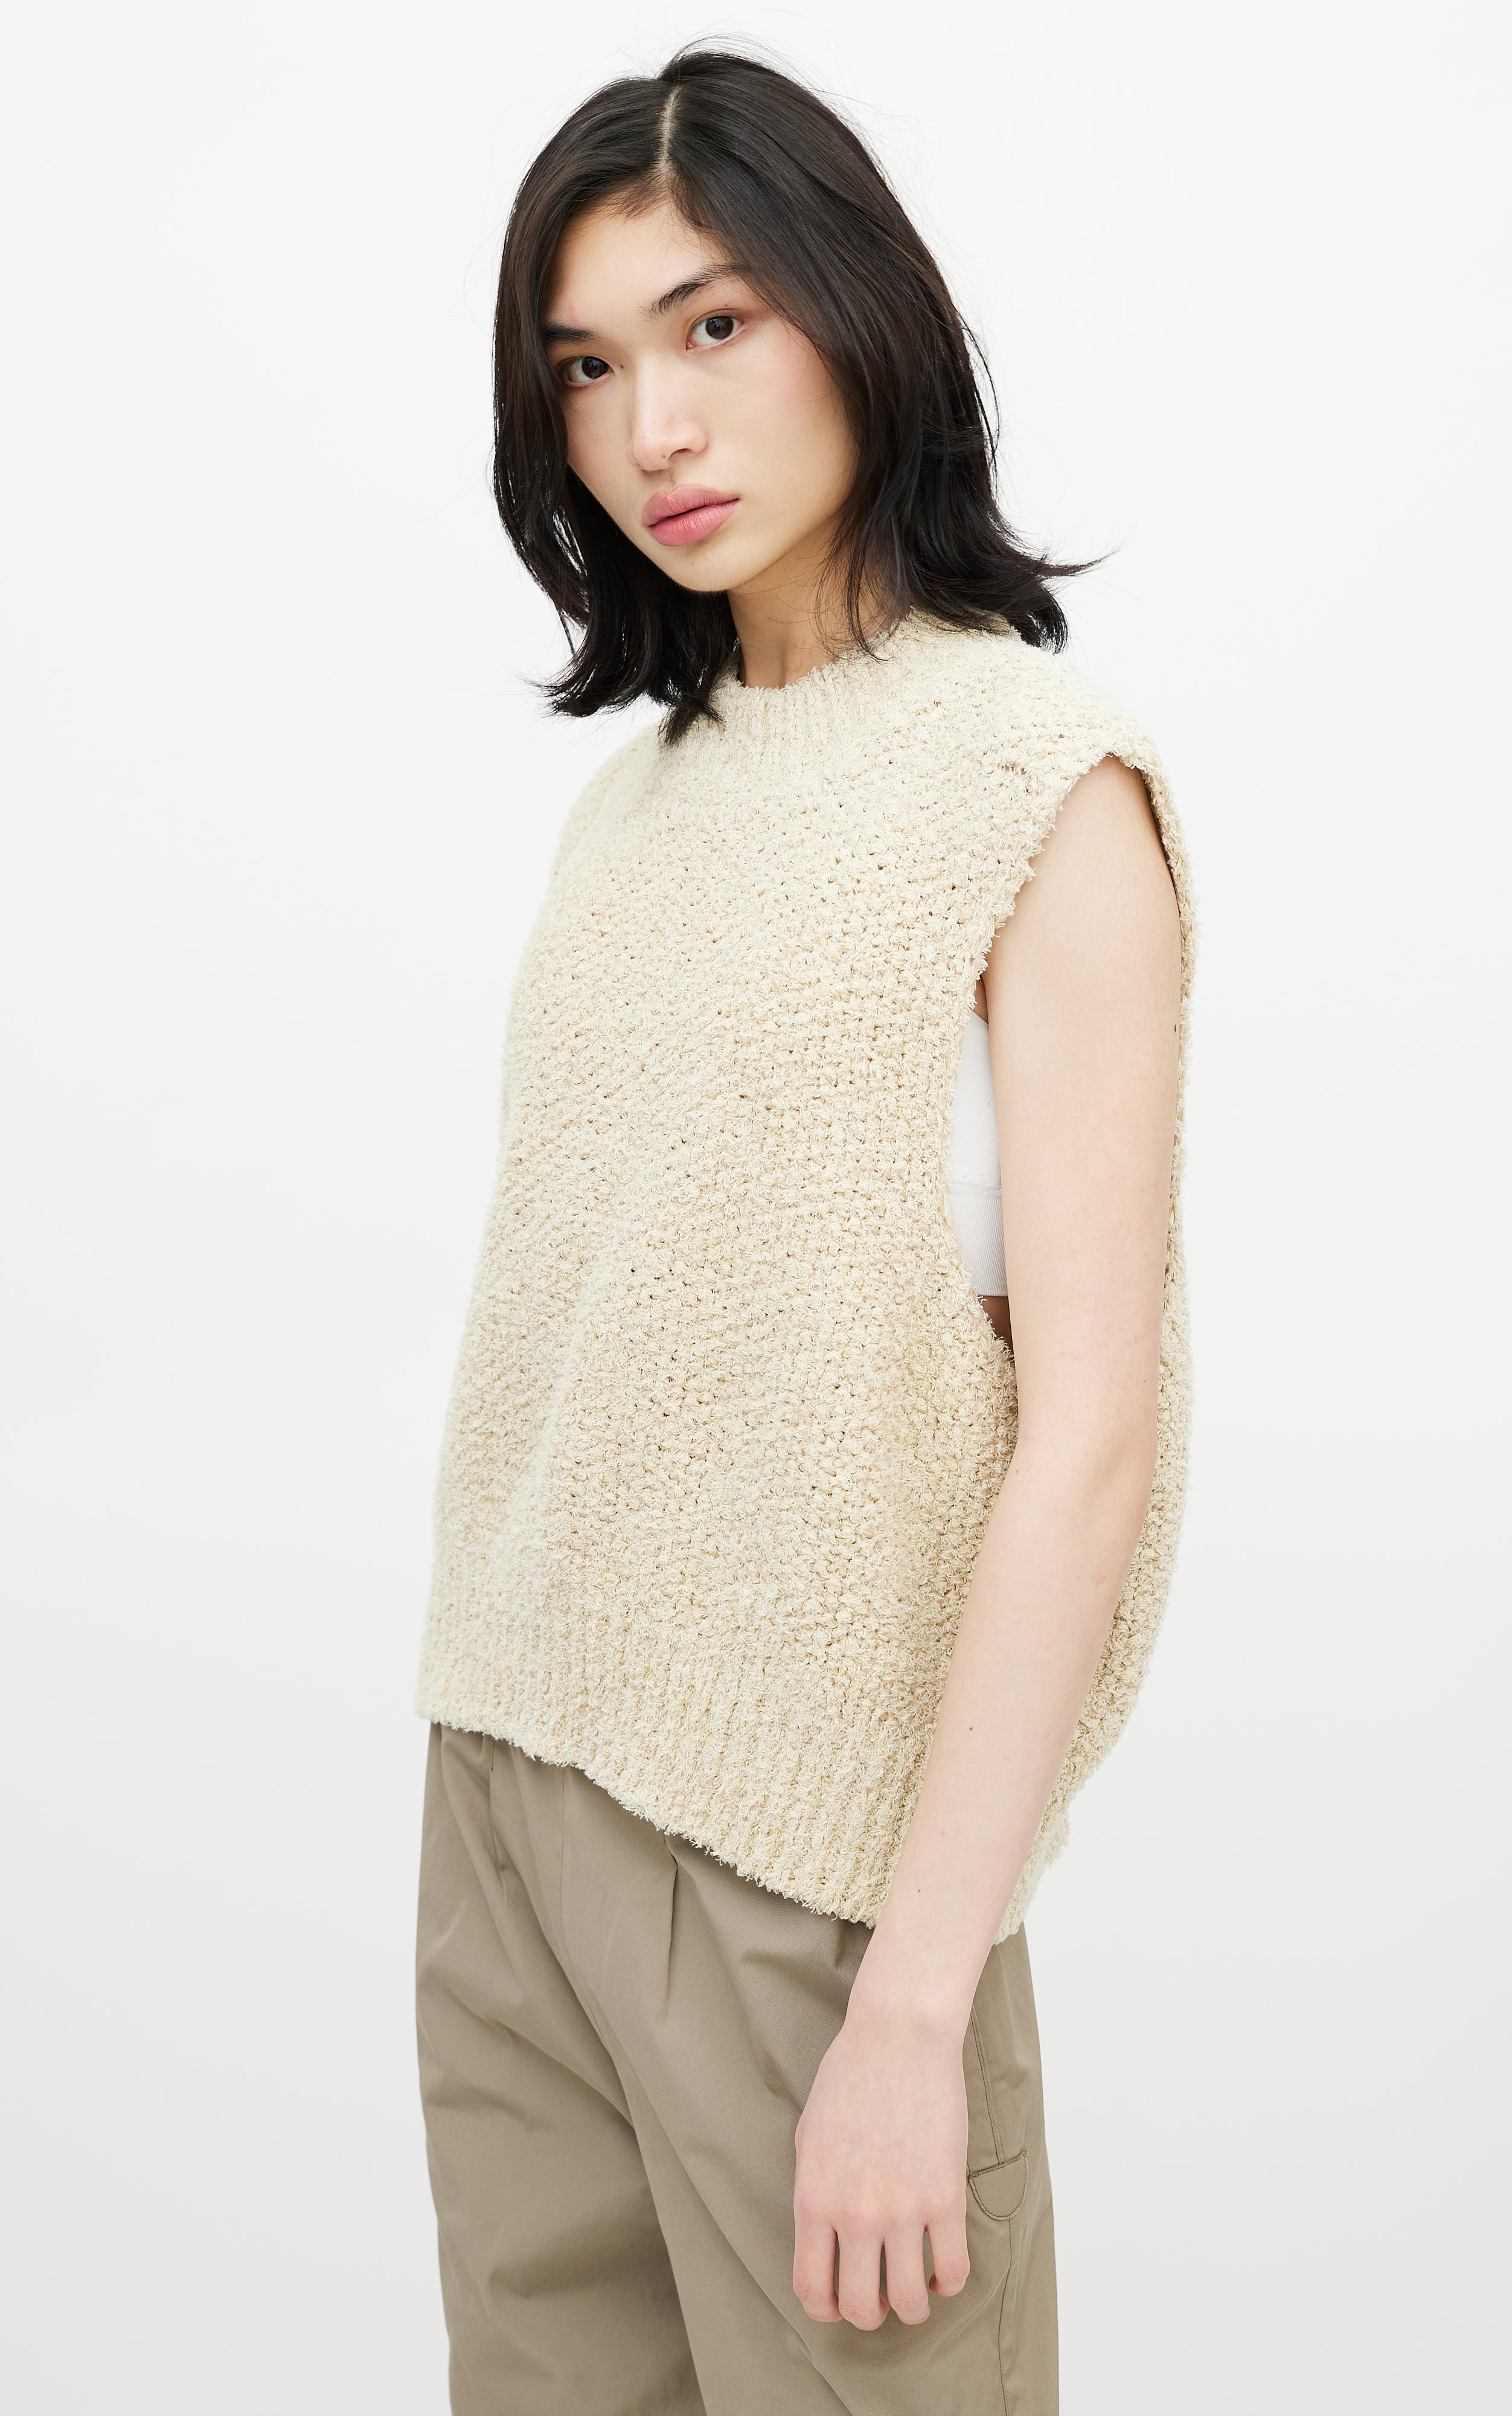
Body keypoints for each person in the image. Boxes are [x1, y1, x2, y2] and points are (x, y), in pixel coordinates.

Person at [414, 45, 1193, 2416]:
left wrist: (917, 1997)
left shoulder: (1034, 789)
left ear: (858, 314)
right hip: (513, 1788)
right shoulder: (633, 811)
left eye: (714, 324)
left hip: (810, 1865)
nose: (652, 423)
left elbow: (1087, 1440)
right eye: (585, 365)